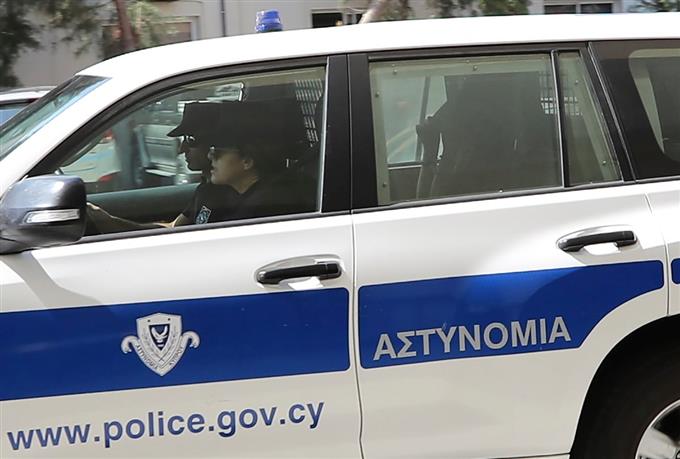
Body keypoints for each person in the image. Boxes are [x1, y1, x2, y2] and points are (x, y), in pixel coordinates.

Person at [87, 102, 238, 232]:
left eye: (191, 140)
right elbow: (174, 228)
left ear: (214, 144)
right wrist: (110, 222)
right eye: (184, 140)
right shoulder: (206, 190)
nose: (181, 149)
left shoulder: (232, 199)